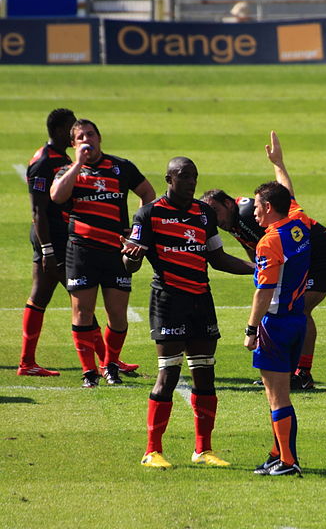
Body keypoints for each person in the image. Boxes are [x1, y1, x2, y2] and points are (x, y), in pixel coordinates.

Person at [121, 156, 254, 469]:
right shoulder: (149, 213)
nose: (191, 182)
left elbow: (217, 258)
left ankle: (203, 450)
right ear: (169, 178)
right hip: (168, 302)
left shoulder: (204, 212)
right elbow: (128, 265)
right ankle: (152, 451)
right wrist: (134, 257)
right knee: (168, 374)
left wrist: (255, 268)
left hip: (201, 301)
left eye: (194, 176)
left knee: (205, 373)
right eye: (184, 176)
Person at [202, 131, 326, 390]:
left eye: (215, 211)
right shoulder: (237, 219)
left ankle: (301, 372)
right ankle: (290, 372)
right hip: (306, 252)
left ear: (228, 202)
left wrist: (263, 280)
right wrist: (278, 164)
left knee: (299, 309)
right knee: (295, 308)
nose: (216, 219)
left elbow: (270, 248)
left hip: (324, 253)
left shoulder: (248, 215)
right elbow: (287, 198)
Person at [17, 109, 140, 378]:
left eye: (89, 133)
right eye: (76, 131)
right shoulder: (46, 162)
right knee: (79, 301)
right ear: (64, 134)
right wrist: (48, 248)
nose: (84, 138)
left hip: (63, 236)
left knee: (49, 293)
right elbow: (39, 210)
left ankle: (103, 360)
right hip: (54, 238)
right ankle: (104, 363)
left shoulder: (61, 158)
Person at [50, 118, 155, 387]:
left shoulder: (121, 167)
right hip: (81, 251)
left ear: (99, 137)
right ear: (73, 144)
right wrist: (77, 165)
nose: (87, 140)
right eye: (81, 137)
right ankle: (89, 372)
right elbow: (57, 196)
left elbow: (147, 194)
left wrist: (137, 233)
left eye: (91, 134)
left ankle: (110, 366)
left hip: (115, 251)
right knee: (82, 312)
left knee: (117, 315)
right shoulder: (66, 171)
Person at [244, 181, 311, 476]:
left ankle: (287, 460)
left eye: (257, 206)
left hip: (275, 325)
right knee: (280, 395)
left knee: (277, 397)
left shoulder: (269, 242)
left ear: (269, 207)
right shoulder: (300, 224)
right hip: (298, 320)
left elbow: (264, 291)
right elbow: (289, 193)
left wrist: (250, 329)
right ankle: (278, 454)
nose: (253, 212)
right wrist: (278, 163)